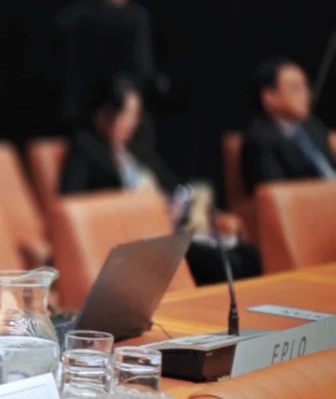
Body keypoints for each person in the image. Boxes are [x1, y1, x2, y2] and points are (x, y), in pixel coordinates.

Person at [60, 75, 260, 284]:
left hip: (170, 228)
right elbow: (72, 201)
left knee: (248, 254)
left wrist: (183, 203)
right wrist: (141, 208)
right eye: (125, 114)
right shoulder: (85, 147)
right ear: (104, 113)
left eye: (135, 115)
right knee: (225, 264)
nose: (130, 122)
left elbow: (173, 184)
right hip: (137, 238)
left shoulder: (135, 148)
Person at [54, 0, 159, 129]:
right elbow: (143, 73)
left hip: (78, 123)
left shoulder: (66, 21)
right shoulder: (134, 19)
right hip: (124, 120)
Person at [241, 57, 334, 195]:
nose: (306, 94)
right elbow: (276, 193)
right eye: (295, 88)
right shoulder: (260, 139)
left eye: (306, 87)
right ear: (269, 97)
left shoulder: (313, 126)